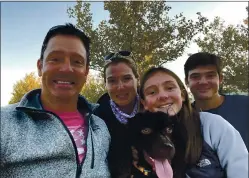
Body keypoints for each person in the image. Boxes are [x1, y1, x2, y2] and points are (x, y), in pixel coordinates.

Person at [0, 23, 110, 178]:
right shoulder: (5, 122)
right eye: (55, 59)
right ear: (40, 66)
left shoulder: (100, 128)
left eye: (77, 61)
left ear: (86, 72)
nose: (66, 68)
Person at [139, 66, 248, 178]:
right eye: (152, 92)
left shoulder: (211, 124)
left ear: (182, 95)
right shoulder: (138, 135)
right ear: (144, 103)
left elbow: (241, 170)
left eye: (170, 88)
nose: (163, 96)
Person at [184, 52, 249, 149]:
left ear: (220, 79)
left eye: (210, 75)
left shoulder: (245, 105)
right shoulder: (184, 117)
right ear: (186, 81)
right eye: (195, 77)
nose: (203, 82)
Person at [94, 51, 141, 178]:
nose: (120, 87)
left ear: (137, 79)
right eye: (112, 81)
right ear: (106, 85)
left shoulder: (152, 107)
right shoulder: (96, 120)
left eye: (127, 78)